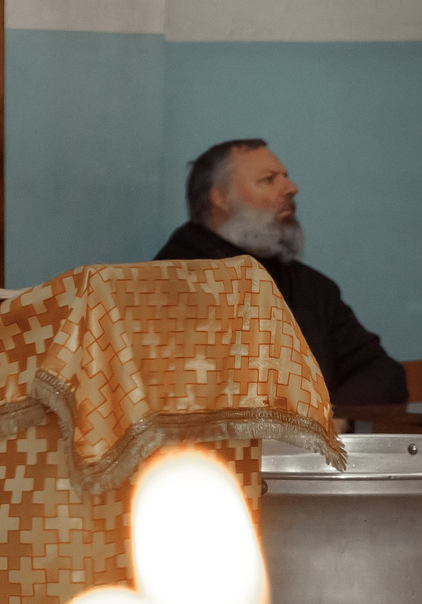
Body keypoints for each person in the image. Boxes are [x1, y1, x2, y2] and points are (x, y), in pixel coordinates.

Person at [153, 138, 407, 407]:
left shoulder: (312, 288)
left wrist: (331, 417)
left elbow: (384, 374)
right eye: (268, 179)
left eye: (285, 177)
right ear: (220, 198)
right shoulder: (171, 283)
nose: (291, 188)